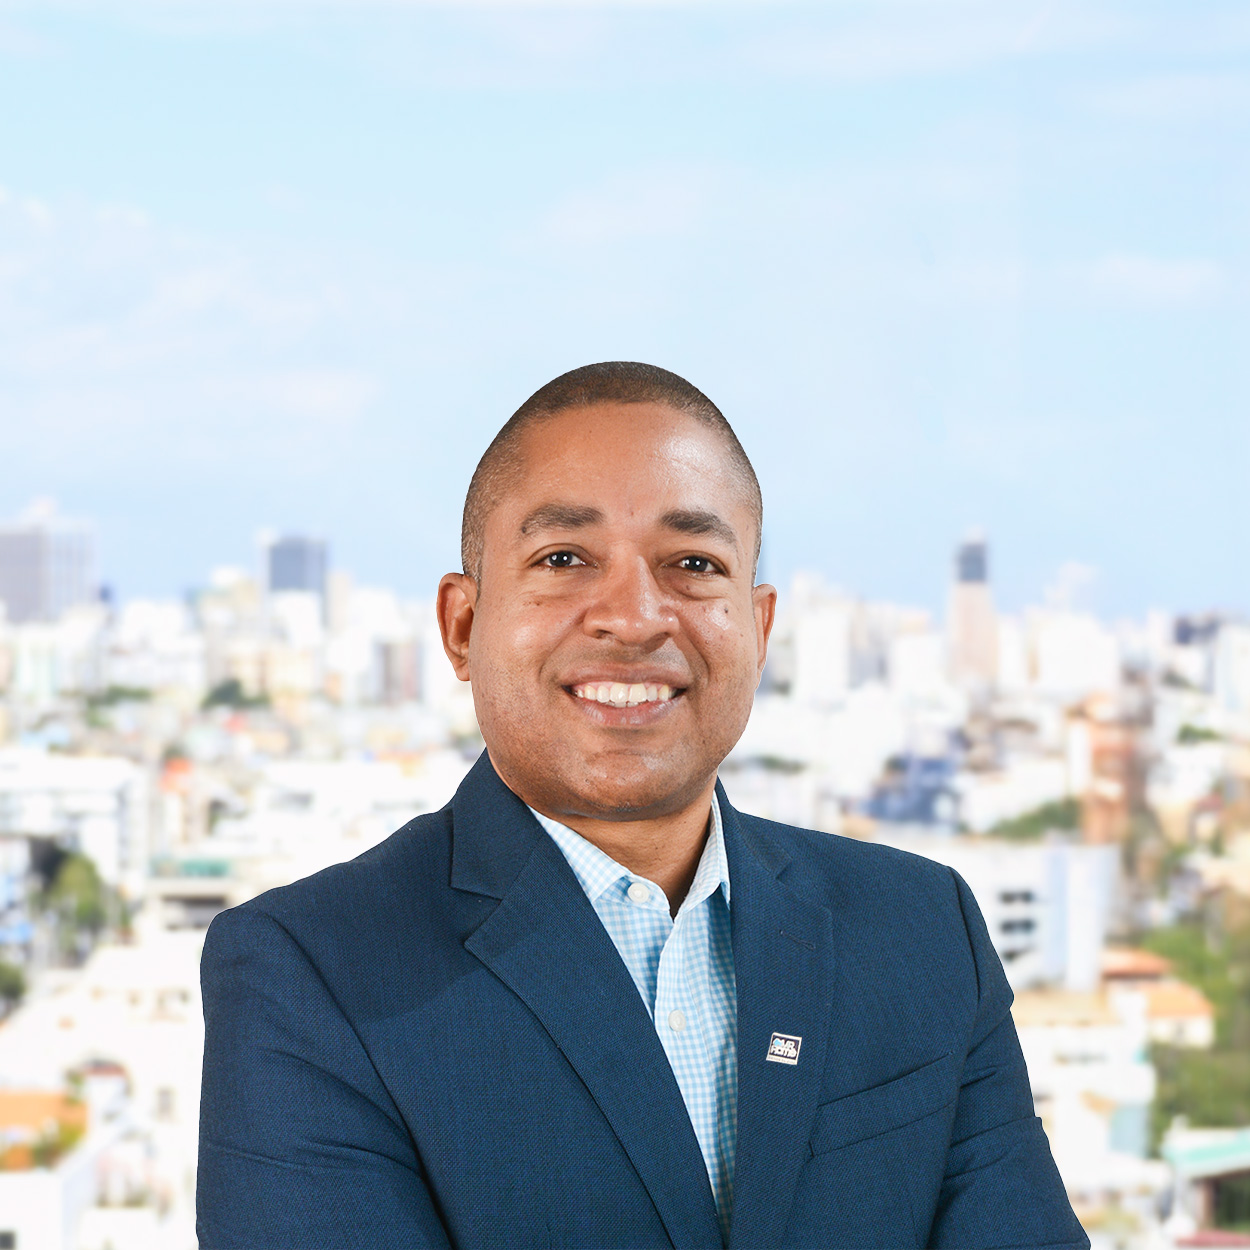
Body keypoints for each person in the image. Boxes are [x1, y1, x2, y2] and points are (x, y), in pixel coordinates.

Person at [197, 362, 1088, 1249]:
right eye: (563, 559)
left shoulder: (923, 931)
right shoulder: (310, 973)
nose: (633, 617)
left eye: (693, 564)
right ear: (462, 626)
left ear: (760, 629)